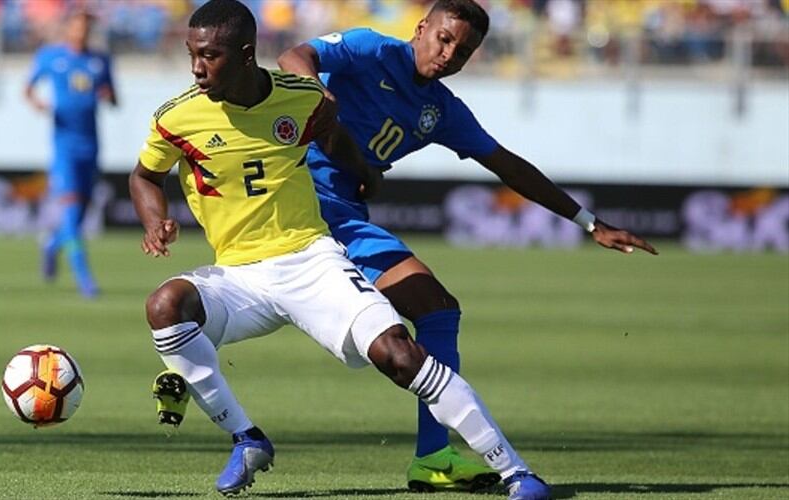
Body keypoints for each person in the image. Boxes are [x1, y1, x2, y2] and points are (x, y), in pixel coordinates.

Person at [130, 1, 555, 498]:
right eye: (193, 54)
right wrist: (154, 218)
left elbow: (334, 136)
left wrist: (366, 173)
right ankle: (246, 438)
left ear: (245, 55)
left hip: (311, 260)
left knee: (399, 354)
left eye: (210, 56)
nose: (197, 67)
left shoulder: (302, 100)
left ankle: (515, 471)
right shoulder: (176, 117)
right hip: (239, 277)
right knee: (165, 306)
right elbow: (144, 176)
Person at [277, 0, 657, 495]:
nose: (451, 54)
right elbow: (293, 56)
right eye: (445, 39)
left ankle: (434, 457)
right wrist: (319, 96)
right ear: (422, 28)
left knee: (437, 310)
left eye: (465, 50)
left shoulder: (442, 111)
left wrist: (588, 222)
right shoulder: (371, 49)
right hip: (293, 198)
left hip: (346, 216)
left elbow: (507, 165)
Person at [25, 10, 117, 298]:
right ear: (68, 29)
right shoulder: (51, 56)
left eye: (86, 27)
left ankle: (52, 244)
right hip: (64, 147)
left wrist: (107, 95)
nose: (82, 32)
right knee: (73, 211)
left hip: (91, 146)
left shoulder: (100, 60)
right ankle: (86, 281)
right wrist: (38, 103)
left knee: (78, 216)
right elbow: (28, 88)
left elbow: (114, 98)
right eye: (78, 26)